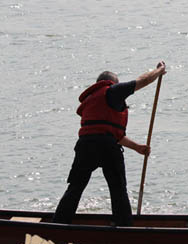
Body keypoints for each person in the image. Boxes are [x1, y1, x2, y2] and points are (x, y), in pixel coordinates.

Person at [52, 62, 166, 226]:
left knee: (75, 187)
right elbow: (144, 80)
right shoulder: (112, 91)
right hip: (106, 147)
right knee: (118, 189)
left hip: (86, 146)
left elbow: (113, 134)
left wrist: (138, 148)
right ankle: (124, 227)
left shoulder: (92, 100)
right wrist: (159, 71)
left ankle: (58, 224)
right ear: (112, 83)